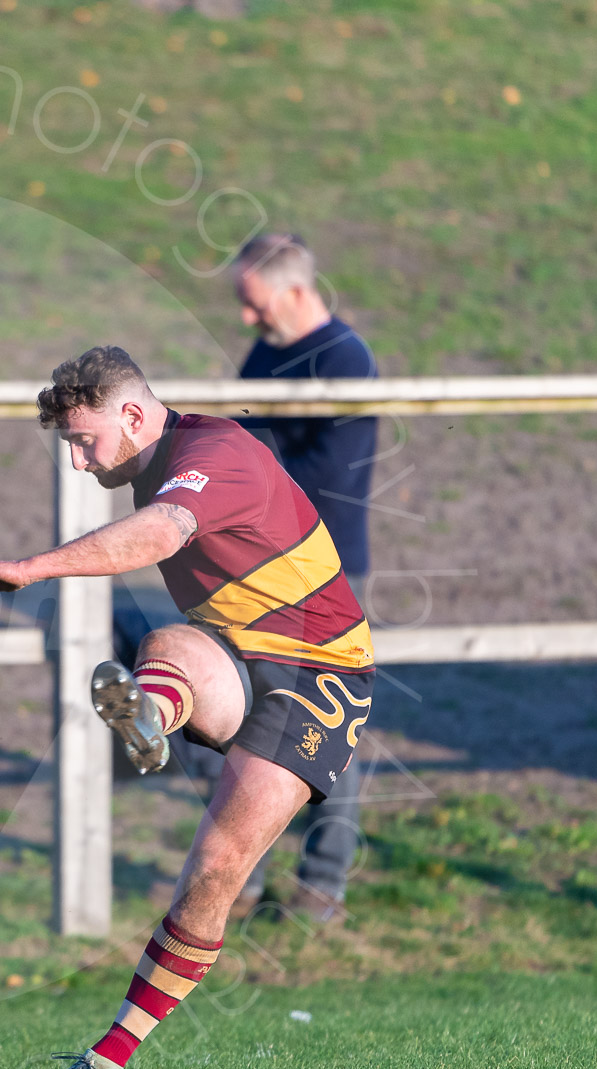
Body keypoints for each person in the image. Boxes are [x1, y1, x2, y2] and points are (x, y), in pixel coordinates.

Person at [0, 346, 373, 1069]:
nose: (80, 464)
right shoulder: (160, 460)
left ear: (134, 414)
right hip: (240, 660)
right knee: (166, 644)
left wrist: (33, 566)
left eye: (84, 442)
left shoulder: (212, 452)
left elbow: (161, 533)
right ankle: (151, 715)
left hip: (320, 677)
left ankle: (104, 1063)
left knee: (215, 872)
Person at [231, 232, 379, 922]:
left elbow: (328, 477)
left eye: (254, 303)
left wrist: (245, 484)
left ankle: (322, 886)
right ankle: (242, 876)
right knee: (245, 725)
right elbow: (243, 437)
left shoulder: (346, 361)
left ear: (294, 291)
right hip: (258, 569)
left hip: (328, 573)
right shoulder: (267, 352)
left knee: (329, 724)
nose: (247, 319)